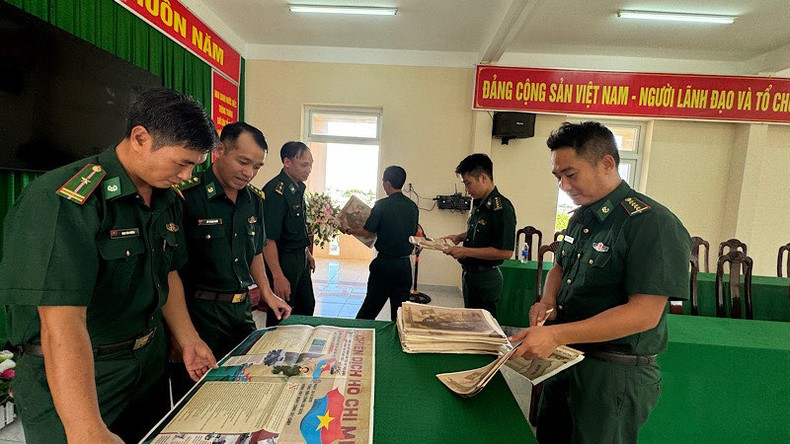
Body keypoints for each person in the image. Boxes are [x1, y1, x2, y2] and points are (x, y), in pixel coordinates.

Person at [0, 88, 219, 444]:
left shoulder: (166, 198)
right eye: (182, 162)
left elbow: (167, 273)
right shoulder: (65, 200)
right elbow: (61, 323)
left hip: (145, 366)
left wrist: (188, 338)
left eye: (195, 165)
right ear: (140, 138)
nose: (188, 176)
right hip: (79, 378)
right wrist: (85, 428)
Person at [509, 121, 691, 443]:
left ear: (606, 163)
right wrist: (548, 301)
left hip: (612, 375)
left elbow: (644, 314)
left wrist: (555, 334)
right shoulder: (582, 217)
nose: (564, 185)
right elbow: (560, 266)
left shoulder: (652, 223)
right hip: (565, 361)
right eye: (559, 177)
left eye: (571, 174)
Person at [170, 122, 292, 400]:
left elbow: (255, 251)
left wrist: (268, 292)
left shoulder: (254, 200)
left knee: (243, 391)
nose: (249, 173)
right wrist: (178, 335)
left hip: (240, 314)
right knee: (197, 400)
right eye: (243, 162)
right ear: (220, 150)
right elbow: (170, 269)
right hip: (200, 316)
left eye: (257, 167)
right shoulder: (186, 195)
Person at [441, 153, 516, 317]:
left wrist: (465, 251)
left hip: (486, 278)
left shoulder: (501, 207)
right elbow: (479, 229)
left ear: (483, 177)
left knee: (483, 329)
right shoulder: (479, 203)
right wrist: (459, 237)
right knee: (470, 322)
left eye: (468, 184)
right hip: (470, 274)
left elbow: (505, 252)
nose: (467, 190)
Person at [345, 166, 419, 321]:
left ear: (387, 184)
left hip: (384, 266)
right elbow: (413, 232)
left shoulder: (381, 205)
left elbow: (368, 232)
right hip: (404, 267)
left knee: (368, 311)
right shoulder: (413, 207)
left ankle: (358, 337)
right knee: (399, 316)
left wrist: (349, 229)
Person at [262, 142, 315, 326]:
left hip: (300, 258)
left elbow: (297, 227)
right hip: (284, 260)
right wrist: (277, 275)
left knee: (307, 306)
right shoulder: (276, 192)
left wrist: (307, 253)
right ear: (287, 162)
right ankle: (275, 352)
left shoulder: (298, 188)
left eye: (310, 164)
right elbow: (268, 239)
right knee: (282, 312)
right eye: (304, 165)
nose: (308, 170)